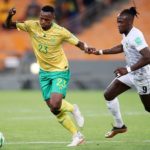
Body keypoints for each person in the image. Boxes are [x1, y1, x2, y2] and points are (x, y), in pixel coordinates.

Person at [5, 5, 91, 146]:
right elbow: (8, 25)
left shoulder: (60, 31)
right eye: (41, 18)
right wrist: (10, 16)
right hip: (44, 72)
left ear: (53, 19)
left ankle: (73, 109)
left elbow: (78, 42)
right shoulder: (32, 25)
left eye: (46, 19)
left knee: (56, 102)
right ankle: (77, 135)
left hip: (60, 70)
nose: (43, 21)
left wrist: (87, 48)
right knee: (53, 109)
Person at [87, 7, 150, 138]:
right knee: (109, 94)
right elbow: (123, 46)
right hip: (131, 73)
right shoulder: (126, 34)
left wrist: (126, 69)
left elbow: (148, 57)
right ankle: (119, 126)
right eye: (118, 22)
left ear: (129, 22)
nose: (118, 25)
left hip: (143, 77)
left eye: (121, 22)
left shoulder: (136, 36)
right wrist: (100, 52)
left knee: (148, 108)